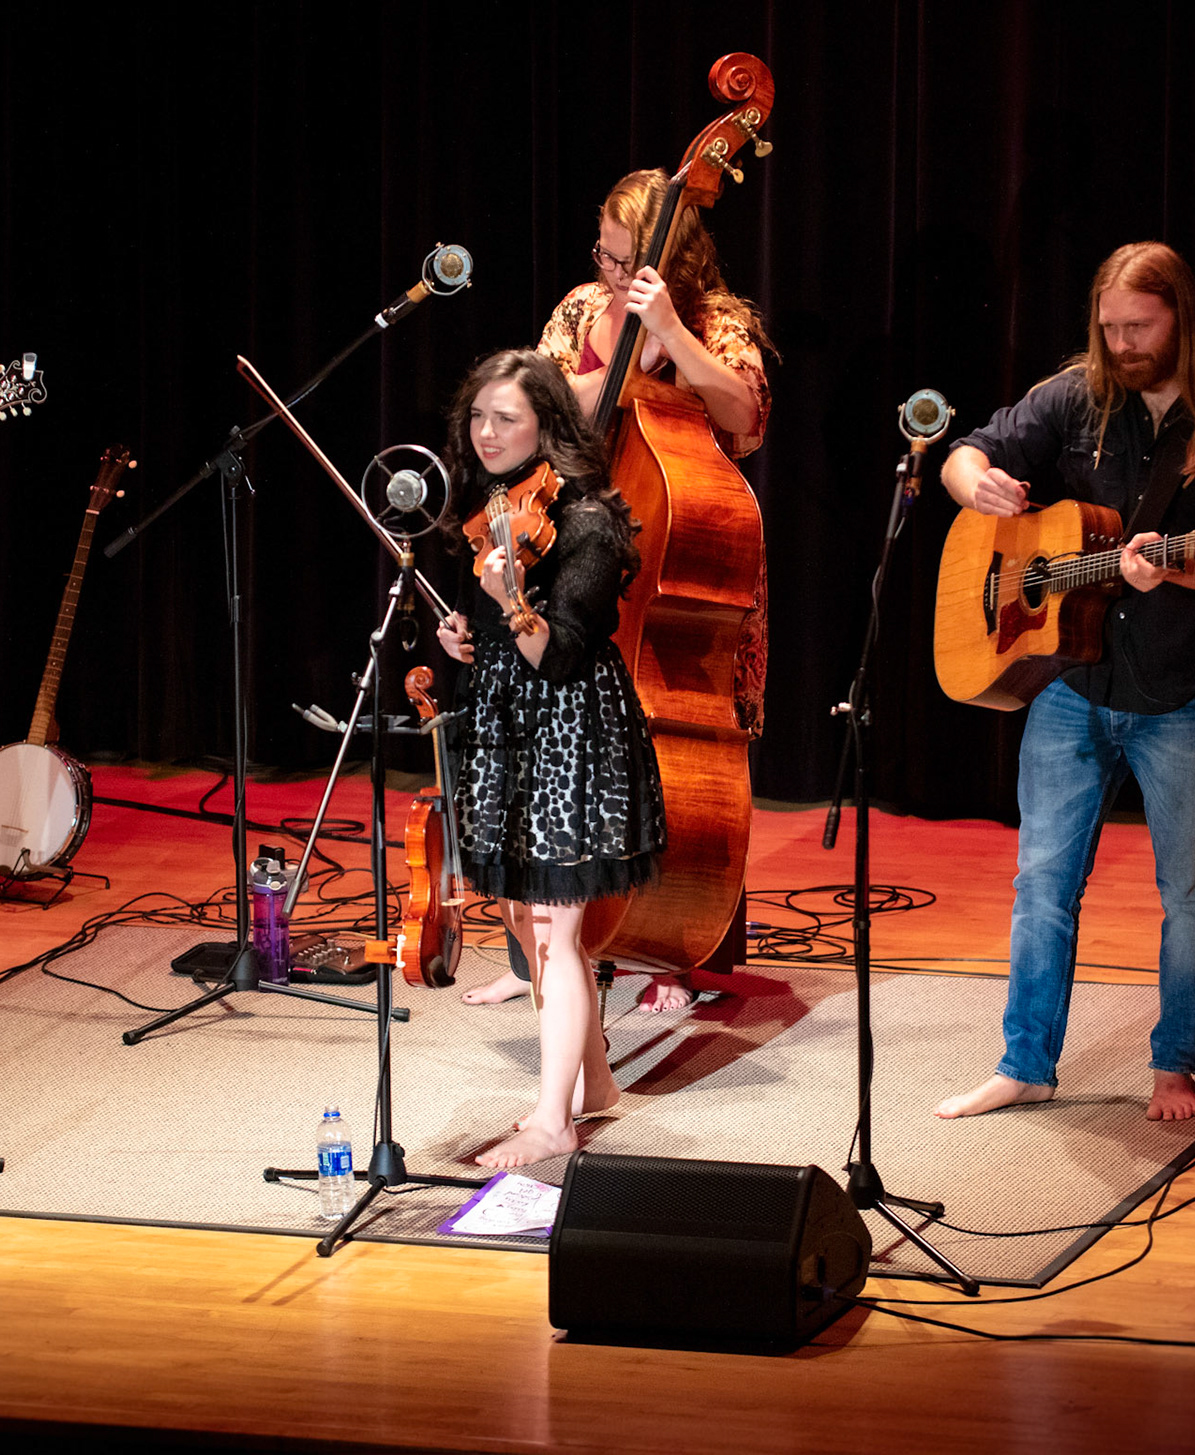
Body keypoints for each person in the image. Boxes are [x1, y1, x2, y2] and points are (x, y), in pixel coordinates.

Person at [933, 241, 1195, 1123]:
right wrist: (979, 488)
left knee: (1189, 892)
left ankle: (1175, 1065)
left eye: (1140, 327)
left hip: (1182, 690)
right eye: (1111, 327)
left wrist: (1173, 566)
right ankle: (1026, 1062)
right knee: (1042, 882)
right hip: (1070, 680)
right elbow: (965, 452)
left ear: (1181, 319)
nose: (1123, 344)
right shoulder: (1077, 394)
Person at [458, 167, 772, 1013]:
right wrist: (618, 372)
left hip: (679, 563)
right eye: (603, 254)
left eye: (625, 261)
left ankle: (662, 948)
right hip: (573, 547)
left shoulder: (717, 323)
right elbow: (533, 408)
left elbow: (744, 416)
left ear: (672, 260)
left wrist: (669, 333)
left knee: (667, 762)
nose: (609, 271)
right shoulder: (578, 310)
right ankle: (538, 948)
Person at [436, 350, 666, 1167]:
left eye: (506, 418)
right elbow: (504, 640)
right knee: (524, 921)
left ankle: (552, 1120)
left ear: (547, 425)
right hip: (508, 723)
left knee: (554, 931)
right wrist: (467, 635)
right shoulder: (497, 508)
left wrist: (508, 601)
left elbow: (561, 656)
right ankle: (593, 1084)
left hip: (571, 731)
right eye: (478, 416)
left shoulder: (591, 521)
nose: (486, 432)